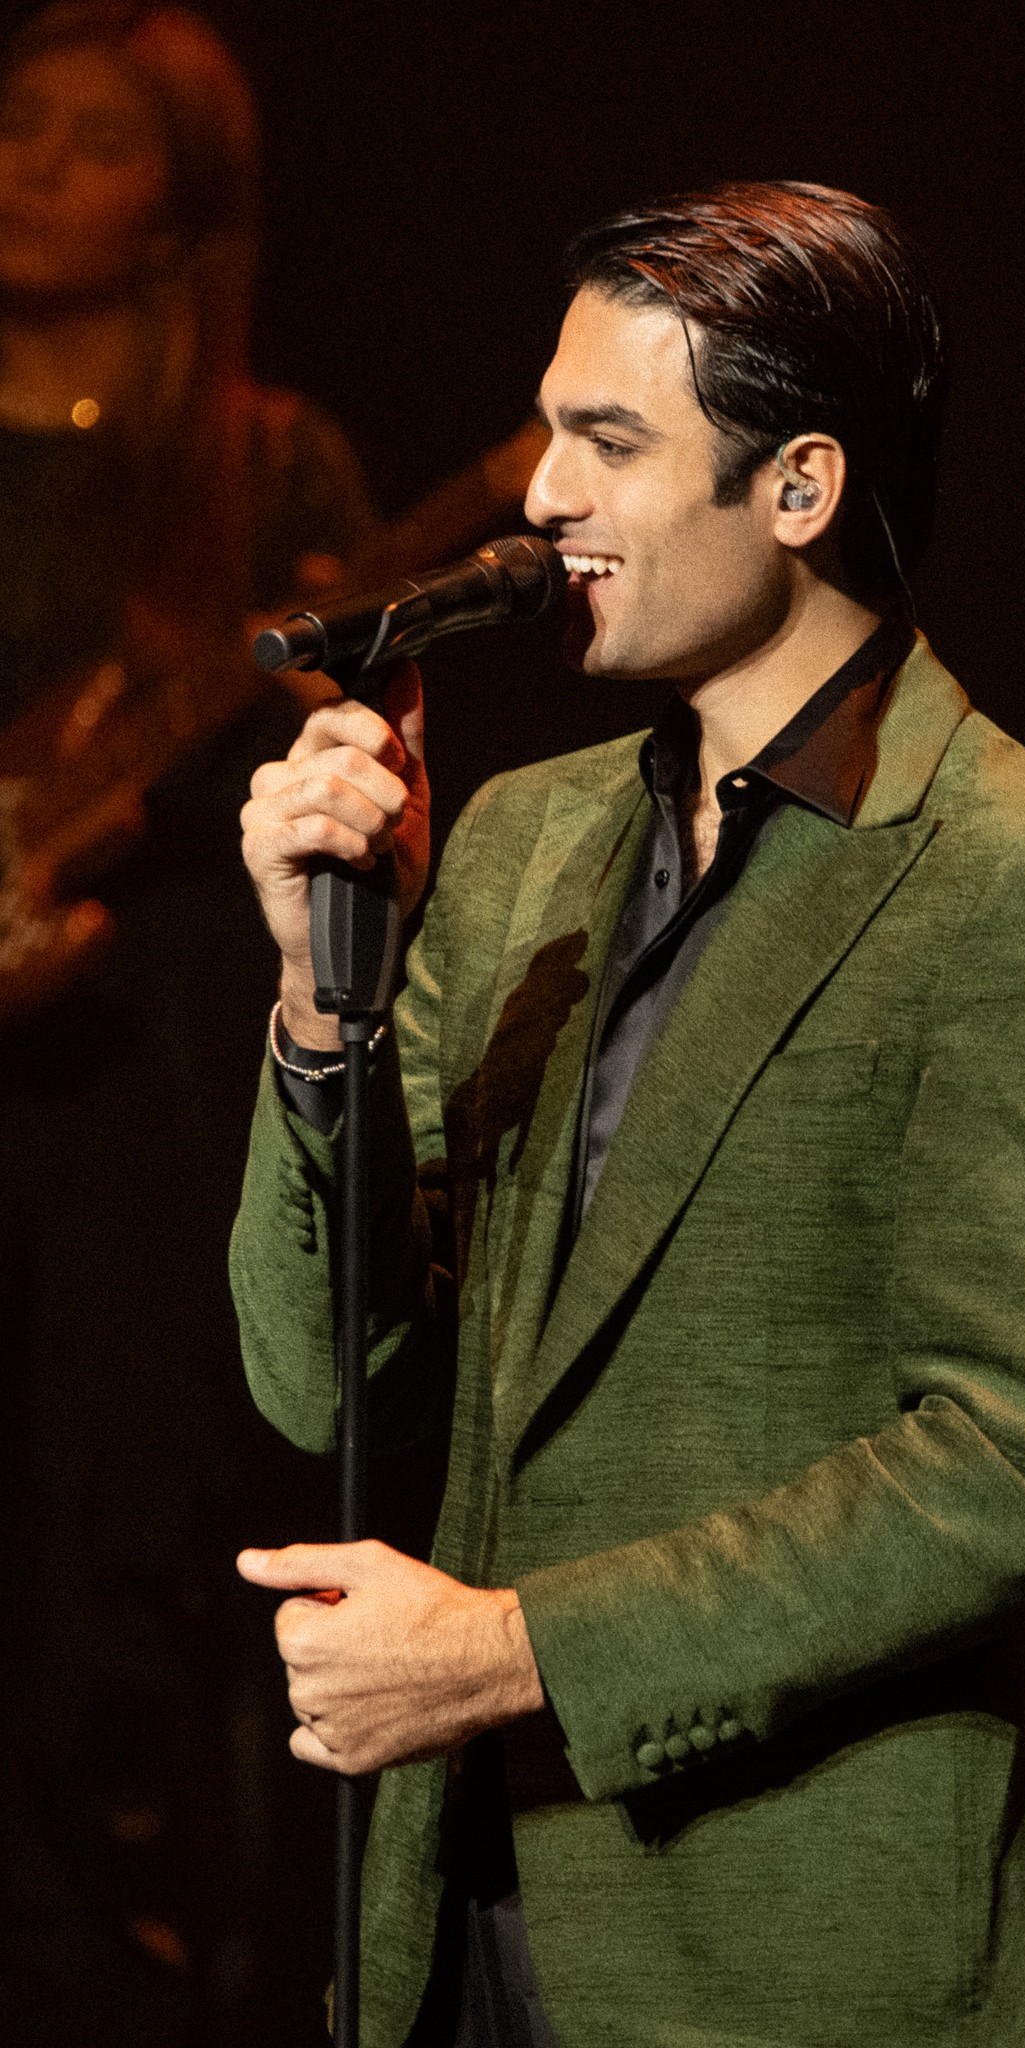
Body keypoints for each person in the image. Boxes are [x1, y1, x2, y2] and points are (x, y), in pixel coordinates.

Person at [232, 182, 1025, 2048]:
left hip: (798, 1958)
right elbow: (319, 1379)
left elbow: (1015, 1462)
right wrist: (315, 1007)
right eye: (550, 433)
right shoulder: (521, 846)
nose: (541, 496)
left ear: (800, 486)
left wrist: (514, 1653)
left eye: (609, 442)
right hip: (463, 1927)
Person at [0, 7, 373, 2042]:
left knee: (106, 1554)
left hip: (141, 1081)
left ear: (181, 211)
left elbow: (336, 768)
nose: (34, 167)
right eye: (17, 122)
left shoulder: (263, 465)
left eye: (95, 142)